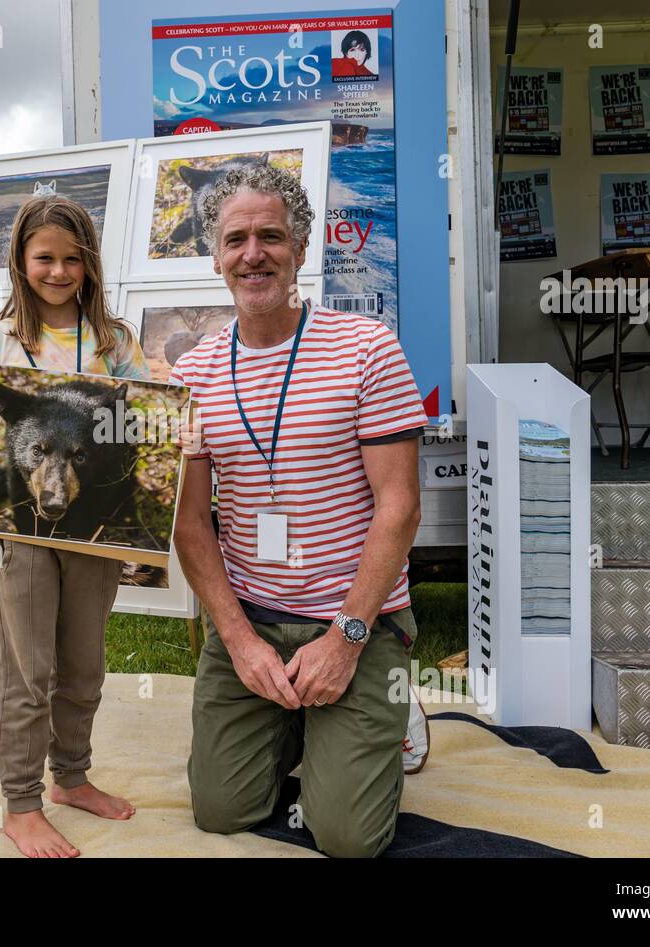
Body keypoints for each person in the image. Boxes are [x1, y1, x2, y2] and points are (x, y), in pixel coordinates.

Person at [169, 163, 429, 858]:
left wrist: (346, 637)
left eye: (271, 236)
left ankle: (378, 704)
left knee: (346, 837)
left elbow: (399, 508)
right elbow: (192, 525)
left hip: (354, 617)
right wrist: (241, 641)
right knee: (221, 810)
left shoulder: (367, 348)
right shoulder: (191, 375)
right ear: (215, 253)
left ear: (301, 249)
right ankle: (302, 720)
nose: (253, 253)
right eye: (236, 239)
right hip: (251, 618)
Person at [0, 195, 151, 858]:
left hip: (91, 532)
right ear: (20, 261)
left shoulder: (116, 340)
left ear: (90, 263)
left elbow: (140, 422)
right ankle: (20, 801)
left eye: (72, 258)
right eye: (44, 257)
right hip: (19, 534)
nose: (58, 270)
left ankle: (71, 777)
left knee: (82, 661)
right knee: (25, 665)